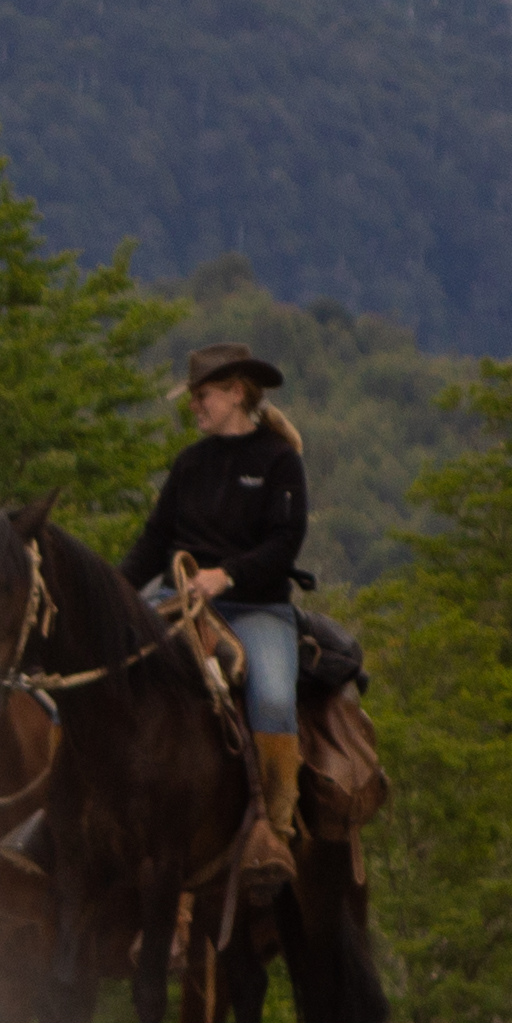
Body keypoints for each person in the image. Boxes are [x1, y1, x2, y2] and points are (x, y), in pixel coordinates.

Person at [123, 342, 311, 876]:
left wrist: (225, 574)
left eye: (201, 396)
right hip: (176, 603)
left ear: (235, 393)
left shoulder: (279, 461)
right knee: (111, 669)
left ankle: (274, 832)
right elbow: (153, 543)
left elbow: (284, 543)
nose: (194, 406)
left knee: (273, 699)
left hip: (255, 607)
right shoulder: (189, 465)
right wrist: (114, 595)